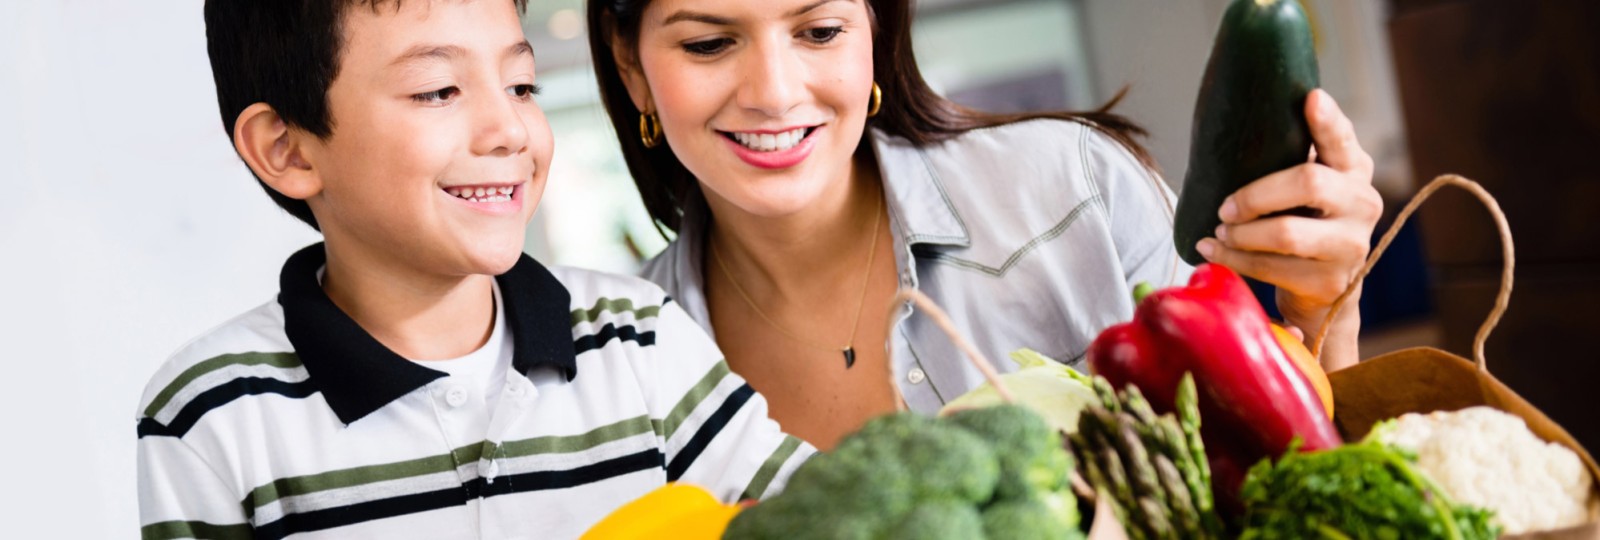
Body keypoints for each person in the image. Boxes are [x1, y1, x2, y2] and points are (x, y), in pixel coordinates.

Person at [136, 1, 812, 537]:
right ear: (287, 149)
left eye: (522, 85)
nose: (509, 129)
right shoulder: (211, 412)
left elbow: (829, 519)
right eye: (438, 91)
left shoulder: (638, 338)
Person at [587, 0, 1383, 450]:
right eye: (708, 42)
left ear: (874, 30)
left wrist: (1321, 315)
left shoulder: (1077, 189)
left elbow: (1281, 473)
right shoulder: (616, 370)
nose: (773, 90)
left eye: (819, 31)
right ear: (632, 68)